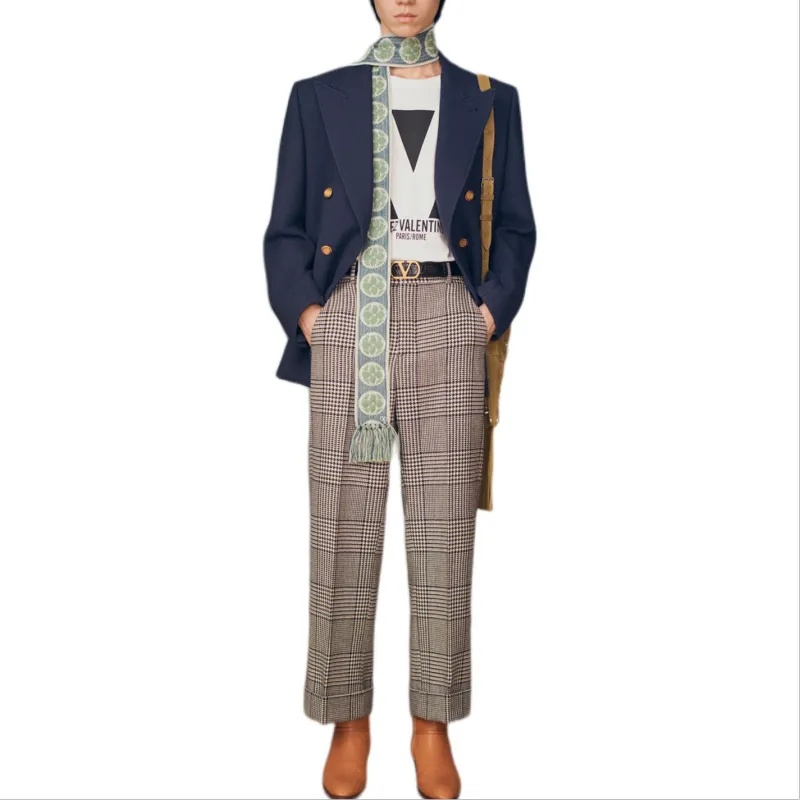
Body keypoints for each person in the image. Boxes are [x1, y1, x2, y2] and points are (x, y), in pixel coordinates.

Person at [263, 0, 536, 797]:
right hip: (352, 314)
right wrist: (311, 317)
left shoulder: (491, 98)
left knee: (444, 530)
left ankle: (431, 725)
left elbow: (516, 226)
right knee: (342, 525)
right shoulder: (318, 95)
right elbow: (285, 227)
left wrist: (486, 312)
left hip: (451, 311)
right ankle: (348, 722)